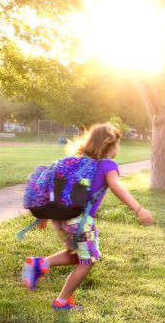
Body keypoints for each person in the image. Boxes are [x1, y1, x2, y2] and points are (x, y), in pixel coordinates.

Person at [21, 123, 154, 310]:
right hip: (80, 221)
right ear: (110, 145)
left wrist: (45, 214)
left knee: (77, 255)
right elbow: (115, 186)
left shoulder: (76, 162)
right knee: (88, 260)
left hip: (61, 219)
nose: (118, 147)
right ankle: (61, 300)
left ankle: (41, 264)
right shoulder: (108, 165)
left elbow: (56, 187)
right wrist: (138, 209)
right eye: (118, 143)